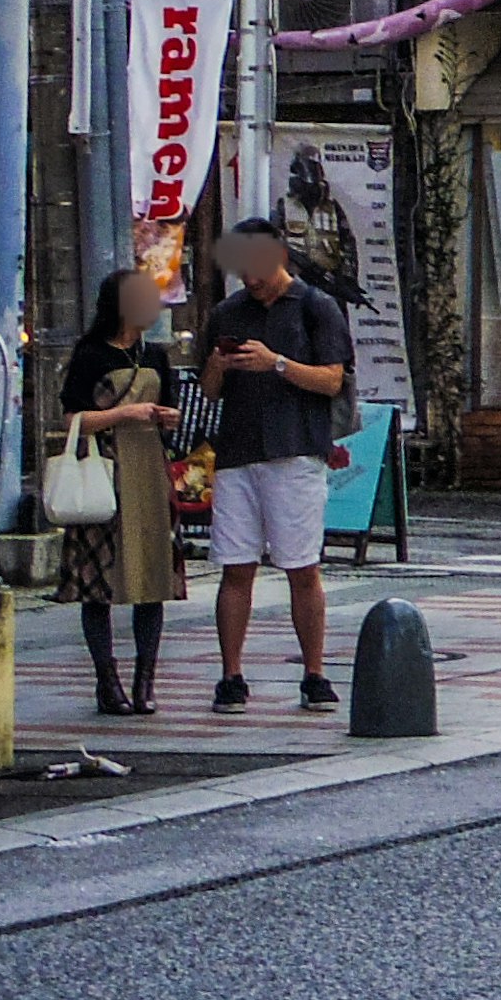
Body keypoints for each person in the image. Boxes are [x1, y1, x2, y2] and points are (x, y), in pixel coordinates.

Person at [202, 215, 356, 714]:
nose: (250, 276)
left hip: (294, 449)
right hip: (238, 450)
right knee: (235, 564)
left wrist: (278, 363)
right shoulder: (228, 311)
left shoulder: (315, 306)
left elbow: (333, 380)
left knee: (301, 565)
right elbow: (208, 391)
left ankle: (314, 672)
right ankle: (231, 675)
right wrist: (218, 365)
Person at [53, 269, 185, 716]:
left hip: (150, 469)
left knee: (153, 578)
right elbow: (72, 420)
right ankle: (107, 682)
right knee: (97, 581)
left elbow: (169, 409)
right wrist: (125, 413)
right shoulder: (90, 354)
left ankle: (145, 681)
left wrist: (165, 417)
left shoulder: (158, 355)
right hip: (105, 469)